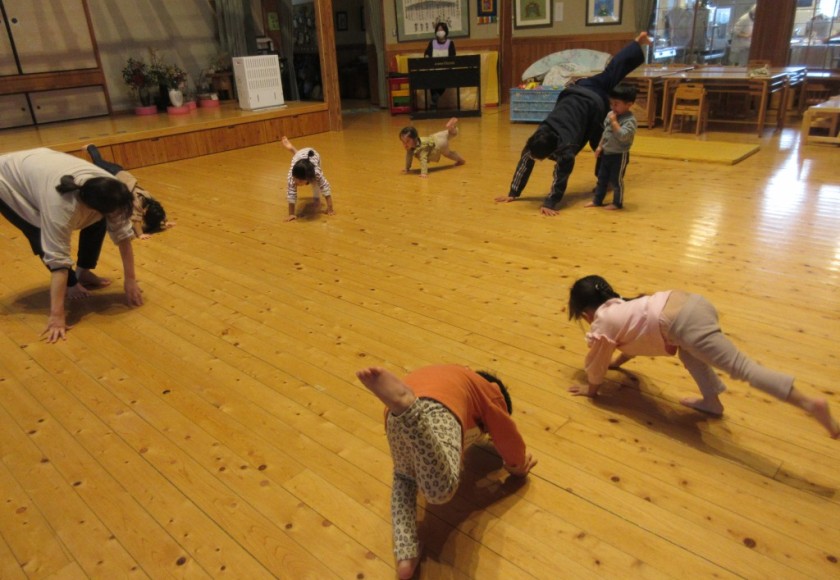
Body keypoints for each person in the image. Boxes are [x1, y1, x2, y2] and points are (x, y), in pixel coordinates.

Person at [566, 275, 839, 438]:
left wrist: (591, 389)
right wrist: (617, 364)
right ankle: (712, 401)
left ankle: (810, 404)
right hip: (691, 303)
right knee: (690, 354)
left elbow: (597, 362)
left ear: (586, 313)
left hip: (684, 322)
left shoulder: (602, 322)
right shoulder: (621, 305)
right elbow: (629, 344)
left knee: (742, 368)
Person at [356, 365, 537, 579]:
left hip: (395, 421)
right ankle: (408, 410)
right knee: (438, 491)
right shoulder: (490, 393)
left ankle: (405, 555)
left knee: (404, 479)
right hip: (435, 408)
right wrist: (517, 466)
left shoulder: (456, 381)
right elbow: (507, 434)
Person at [495, 32, 652, 216]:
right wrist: (513, 192)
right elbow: (527, 160)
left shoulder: (565, 149)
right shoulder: (540, 134)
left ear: (552, 152)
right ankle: (636, 43)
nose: (534, 158)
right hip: (581, 87)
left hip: (594, 106)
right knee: (611, 72)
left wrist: (551, 202)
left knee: (605, 144)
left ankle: (608, 181)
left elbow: (560, 176)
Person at [0, 147, 144, 342]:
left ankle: (83, 271)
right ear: (90, 206)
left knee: (98, 221)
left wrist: (130, 280)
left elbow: (123, 237)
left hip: (39, 164)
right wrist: (57, 316)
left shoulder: (110, 187)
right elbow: (57, 261)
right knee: (39, 234)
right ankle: (72, 283)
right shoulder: (60, 207)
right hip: (7, 181)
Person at [84, 144, 175, 240]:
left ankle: (90, 148)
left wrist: (165, 222)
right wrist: (140, 234)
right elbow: (136, 221)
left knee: (99, 161)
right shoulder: (137, 203)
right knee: (98, 161)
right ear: (145, 212)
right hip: (111, 174)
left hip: (119, 170)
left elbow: (158, 209)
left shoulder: (149, 199)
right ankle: (90, 147)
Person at [585, 84, 637, 210]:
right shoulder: (610, 114)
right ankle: (597, 201)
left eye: (616, 104)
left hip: (619, 155)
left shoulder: (630, 121)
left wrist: (614, 122)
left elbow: (623, 136)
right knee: (602, 179)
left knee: (616, 181)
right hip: (606, 153)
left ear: (629, 104)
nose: (613, 107)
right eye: (611, 103)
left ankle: (617, 203)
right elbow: (606, 132)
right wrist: (599, 147)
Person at [281, 135, 334, 222]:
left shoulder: (316, 173)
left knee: (316, 183)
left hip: (313, 154)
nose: (296, 182)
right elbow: (291, 194)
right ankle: (293, 150)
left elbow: (325, 188)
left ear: (308, 178)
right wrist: (291, 214)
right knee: (298, 156)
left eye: (300, 180)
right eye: (295, 178)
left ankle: (316, 198)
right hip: (299, 156)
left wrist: (330, 208)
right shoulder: (291, 177)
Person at [400, 117, 465, 178]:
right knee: (449, 133)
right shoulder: (411, 146)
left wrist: (424, 173)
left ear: (415, 139)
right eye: (403, 142)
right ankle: (451, 128)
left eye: (407, 141)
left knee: (448, 154)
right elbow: (408, 157)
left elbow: (423, 160)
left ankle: (461, 160)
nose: (405, 144)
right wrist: (407, 168)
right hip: (437, 137)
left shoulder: (421, 148)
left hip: (439, 144)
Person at [423, 22, 456, 110]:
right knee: (431, 78)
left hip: (445, 71)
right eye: (438, 30)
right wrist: (426, 55)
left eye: (441, 29)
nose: (440, 31)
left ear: (445, 31)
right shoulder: (432, 43)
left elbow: (453, 57)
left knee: (444, 78)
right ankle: (434, 100)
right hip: (434, 70)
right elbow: (427, 53)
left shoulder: (450, 43)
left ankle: (434, 99)